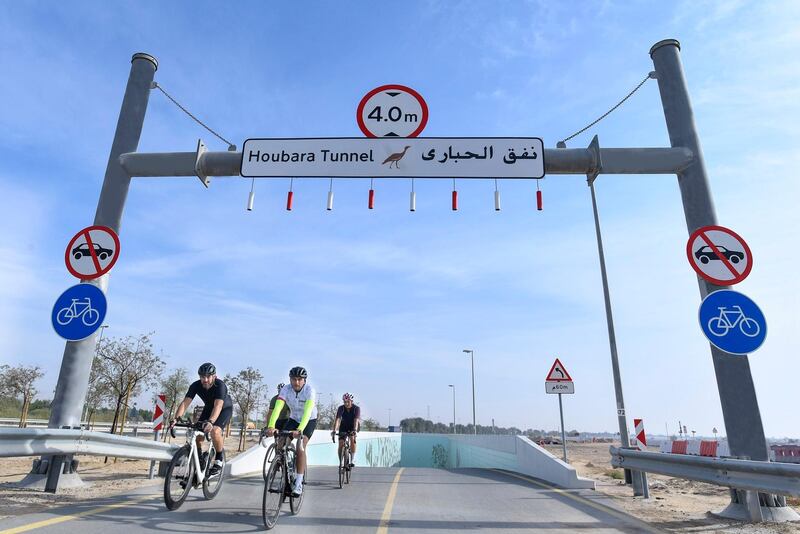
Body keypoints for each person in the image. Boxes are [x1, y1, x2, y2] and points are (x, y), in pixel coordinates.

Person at [171, 362, 233, 476]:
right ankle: (200, 461)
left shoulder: (220, 386)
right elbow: (185, 403)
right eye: (202, 377)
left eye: (208, 376)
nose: (205, 380)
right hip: (209, 409)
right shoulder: (196, 385)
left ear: (214, 376)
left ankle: (219, 459)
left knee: (215, 431)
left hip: (224, 409)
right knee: (197, 434)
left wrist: (210, 422)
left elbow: (218, 406)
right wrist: (176, 419)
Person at [266, 366, 317, 496]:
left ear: (304, 380)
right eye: (294, 379)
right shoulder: (286, 389)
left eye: (300, 379)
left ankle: (298, 483)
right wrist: (271, 426)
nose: (297, 382)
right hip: (294, 418)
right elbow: (277, 408)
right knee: (281, 441)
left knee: (300, 447)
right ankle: (285, 469)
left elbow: (307, 413)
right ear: (290, 379)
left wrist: (300, 430)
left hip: (308, 420)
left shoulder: (309, 390)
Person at [331, 393, 360, 468]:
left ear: (351, 401)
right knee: (340, 443)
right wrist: (334, 430)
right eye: (344, 402)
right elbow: (338, 420)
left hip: (353, 426)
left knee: (352, 439)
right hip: (343, 426)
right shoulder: (341, 408)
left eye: (348, 402)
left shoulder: (356, 408)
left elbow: (356, 420)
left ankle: (352, 459)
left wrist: (355, 430)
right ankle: (341, 461)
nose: (346, 403)